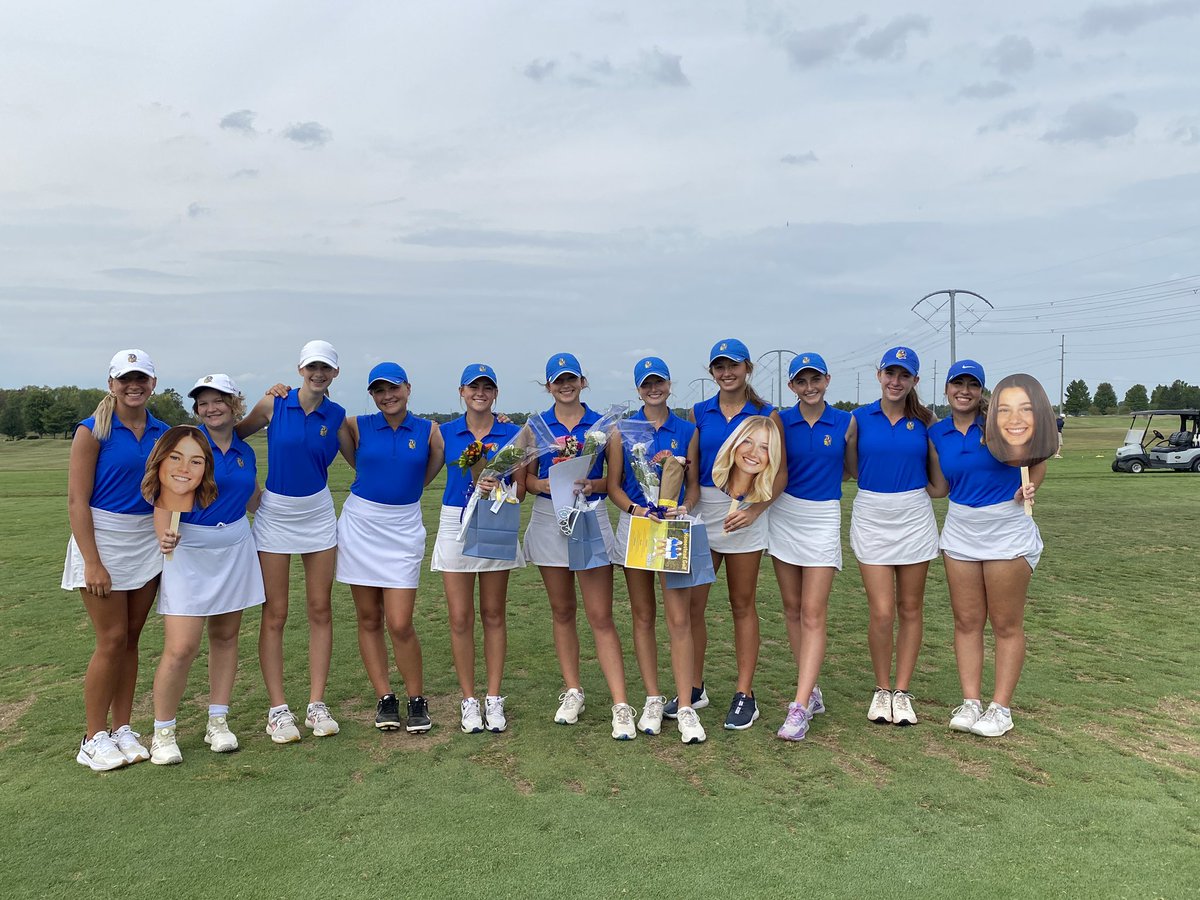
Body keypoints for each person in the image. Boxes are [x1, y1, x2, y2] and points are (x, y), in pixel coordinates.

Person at [143, 381, 266, 764]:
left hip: (234, 546)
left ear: (234, 405)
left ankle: (218, 721)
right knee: (181, 647)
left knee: (226, 637)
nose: (211, 409)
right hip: (190, 547)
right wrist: (163, 532)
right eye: (203, 404)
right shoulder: (187, 447)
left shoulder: (245, 451)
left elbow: (251, 498)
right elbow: (165, 494)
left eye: (219, 402)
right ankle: (163, 732)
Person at [237, 340, 351, 743]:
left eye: (325, 368)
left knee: (320, 608)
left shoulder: (337, 416)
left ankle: (317, 705)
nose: (318, 374)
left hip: (317, 513)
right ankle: (278, 710)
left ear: (334, 373)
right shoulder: (274, 404)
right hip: (275, 514)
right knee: (276, 613)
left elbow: (362, 459)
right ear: (300, 369)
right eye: (311, 367)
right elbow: (232, 437)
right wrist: (245, 490)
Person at [63, 349, 168, 770]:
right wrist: (92, 561)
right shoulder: (92, 431)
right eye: (125, 378)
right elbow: (76, 500)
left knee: (130, 638)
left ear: (152, 383)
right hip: (102, 539)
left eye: (141, 378)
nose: (133, 385)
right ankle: (92, 737)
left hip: (145, 540)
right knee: (109, 640)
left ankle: (123, 728)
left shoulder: (164, 431)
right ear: (112, 384)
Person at [928, 361, 1045, 737]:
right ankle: (970, 702)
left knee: (1006, 624)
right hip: (961, 529)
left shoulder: (999, 422)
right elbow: (940, 486)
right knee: (966, 621)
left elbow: (1037, 458)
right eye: (957, 383)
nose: (964, 390)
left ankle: (1001, 708)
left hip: (1006, 527)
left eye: (972, 384)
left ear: (982, 390)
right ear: (947, 388)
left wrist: (1030, 488)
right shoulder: (937, 432)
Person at [523, 353, 636, 740]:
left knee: (601, 615)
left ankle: (621, 704)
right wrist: (552, 483)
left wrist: (589, 484)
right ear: (549, 385)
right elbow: (526, 483)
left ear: (583, 382)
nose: (565, 385)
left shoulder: (605, 426)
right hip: (548, 520)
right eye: (558, 380)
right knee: (562, 610)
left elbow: (613, 482)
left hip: (591, 517)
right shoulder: (535, 426)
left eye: (571, 379)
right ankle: (573, 691)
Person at [678, 339, 786, 730]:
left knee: (742, 604)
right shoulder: (698, 412)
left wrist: (755, 511)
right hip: (703, 513)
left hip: (744, 514)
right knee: (693, 606)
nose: (727, 373)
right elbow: (691, 468)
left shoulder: (766, 414)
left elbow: (781, 473)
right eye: (719, 367)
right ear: (712, 372)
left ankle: (746, 694)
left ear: (748, 368)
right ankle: (693, 687)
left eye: (734, 366)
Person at [337, 363, 445, 733]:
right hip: (361, 524)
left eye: (394, 388)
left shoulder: (430, 430)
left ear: (408, 388)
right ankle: (385, 697)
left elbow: (430, 470)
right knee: (368, 618)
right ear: (372, 395)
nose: (388, 396)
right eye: (379, 391)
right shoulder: (355, 425)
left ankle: (417, 700)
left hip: (403, 526)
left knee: (399, 622)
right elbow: (351, 456)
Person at [605, 357, 705, 743]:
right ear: (638, 389)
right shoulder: (622, 431)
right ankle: (651, 697)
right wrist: (634, 508)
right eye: (646, 384)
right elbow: (614, 485)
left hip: (674, 526)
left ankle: (684, 707)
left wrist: (685, 506)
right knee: (643, 614)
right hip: (637, 525)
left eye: (658, 381)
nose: (653, 389)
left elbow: (693, 486)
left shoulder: (687, 430)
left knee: (678, 618)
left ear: (668, 384)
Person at [846, 346, 938, 727]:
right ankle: (881, 689)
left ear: (915, 380)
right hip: (871, 513)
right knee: (882, 611)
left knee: (910, 608)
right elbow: (850, 469)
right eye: (890, 374)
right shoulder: (857, 419)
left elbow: (939, 482)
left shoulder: (928, 420)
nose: (895, 382)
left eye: (904, 375)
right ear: (879, 375)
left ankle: (902, 692)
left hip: (914, 514)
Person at [432, 364, 525, 734]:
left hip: (495, 517)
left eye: (487, 387)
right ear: (462, 391)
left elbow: (521, 486)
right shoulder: (444, 433)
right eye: (474, 387)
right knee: (459, 617)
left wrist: (498, 490)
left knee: (493, 613)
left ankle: (493, 697)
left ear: (495, 393)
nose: (480, 392)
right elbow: (425, 475)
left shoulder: (512, 432)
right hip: (455, 519)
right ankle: (469, 700)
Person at [768, 353, 853, 741]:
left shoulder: (845, 422)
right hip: (785, 515)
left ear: (827, 379)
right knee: (792, 609)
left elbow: (851, 469)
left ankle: (799, 706)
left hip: (822, 517)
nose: (809, 387)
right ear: (791, 387)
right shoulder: (779, 421)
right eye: (801, 381)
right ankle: (812, 691)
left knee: (813, 612)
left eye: (814, 379)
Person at [987, 373, 1060, 468]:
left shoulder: (1038, 461)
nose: (1014, 420)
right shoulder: (986, 451)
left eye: (1026, 409)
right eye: (1004, 410)